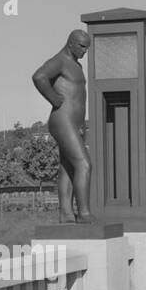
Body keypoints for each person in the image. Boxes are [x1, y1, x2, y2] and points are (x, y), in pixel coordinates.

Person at [32, 30, 93, 222]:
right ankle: (84, 213)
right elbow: (39, 76)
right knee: (84, 164)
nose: (85, 51)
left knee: (68, 167)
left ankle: (66, 213)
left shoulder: (76, 65)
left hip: (75, 122)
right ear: (71, 43)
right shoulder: (59, 60)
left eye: (87, 47)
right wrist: (53, 98)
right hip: (63, 119)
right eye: (82, 46)